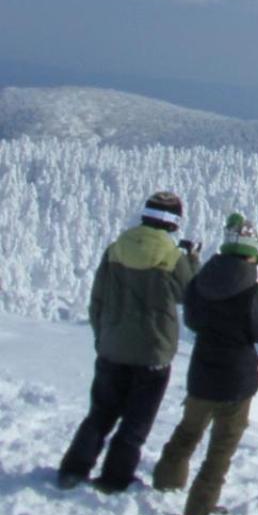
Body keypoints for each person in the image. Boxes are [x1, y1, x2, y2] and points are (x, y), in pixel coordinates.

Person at [58, 190, 201, 492]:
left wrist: (103, 337)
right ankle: (114, 477)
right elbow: (190, 295)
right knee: (136, 422)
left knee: (100, 413)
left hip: (112, 348)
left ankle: (73, 469)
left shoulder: (116, 249)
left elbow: (97, 299)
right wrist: (193, 260)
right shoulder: (172, 257)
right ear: (175, 222)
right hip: (153, 352)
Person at [153, 213, 258, 515]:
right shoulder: (254, 293)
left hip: (203, 371)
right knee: (221, 448)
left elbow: (193, 320)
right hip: (237, 379)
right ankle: (200, 507)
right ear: (253, 255)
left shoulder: (200, 284)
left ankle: (167, 479)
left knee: (188, 430)